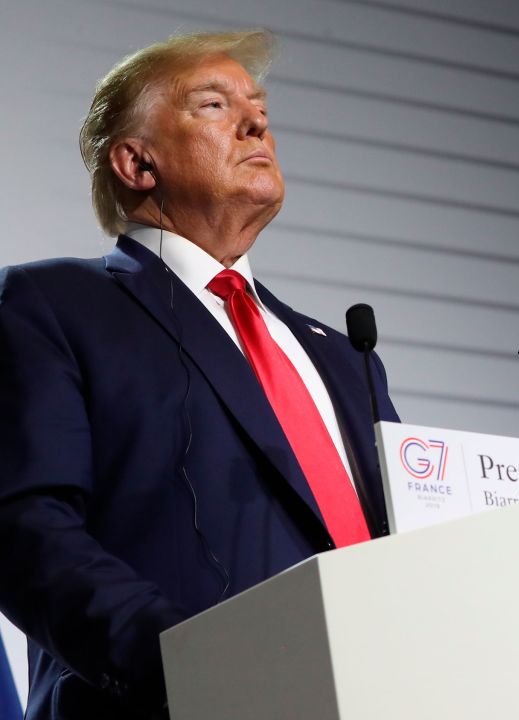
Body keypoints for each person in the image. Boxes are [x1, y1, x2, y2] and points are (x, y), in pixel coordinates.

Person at [0, 30, 398, 720]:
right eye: (215, 105)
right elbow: (25, 527)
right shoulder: (49, 306)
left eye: (261, 112)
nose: (256, 125)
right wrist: (190, 665)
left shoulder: (342, 354)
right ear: (136, 162)